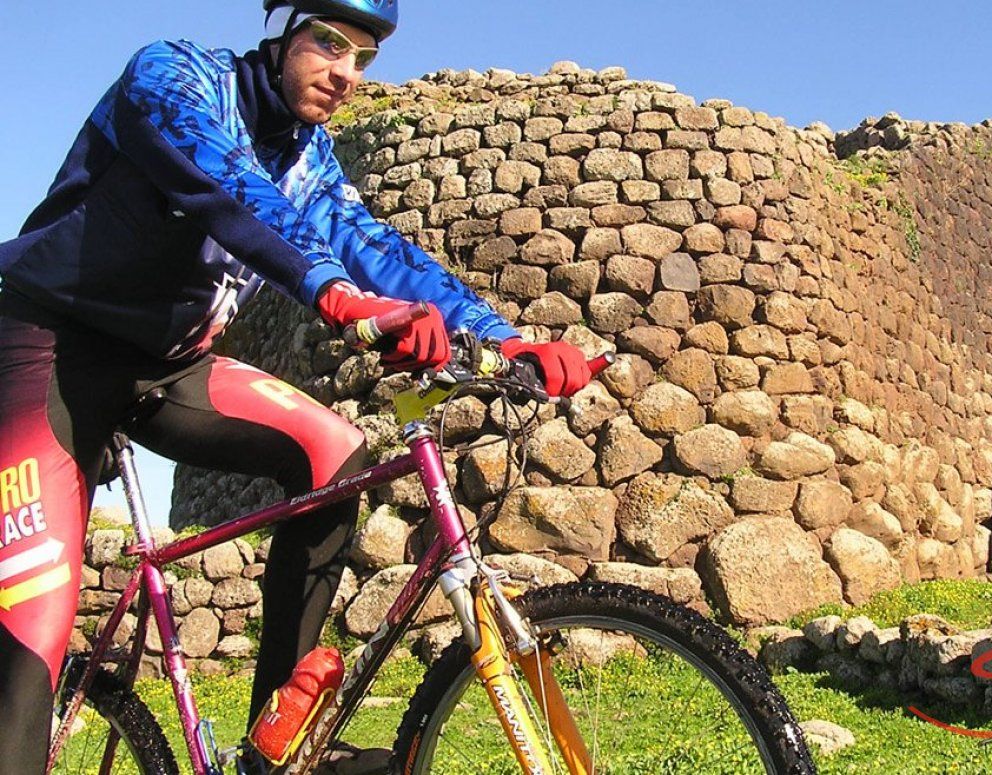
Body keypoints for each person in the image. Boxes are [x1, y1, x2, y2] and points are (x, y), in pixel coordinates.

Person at [0, 1, 591, 771]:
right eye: (329, 42)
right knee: (33, 628)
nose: (346, 73)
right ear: (281, 36)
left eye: (364, 59)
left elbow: (376, 246)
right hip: (49, 351)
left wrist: (503, 334)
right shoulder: (173, 77)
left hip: (169, 366)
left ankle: (272, 746)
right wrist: (335, 292)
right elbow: (229, 184)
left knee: (333, 455)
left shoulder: (308, 157)